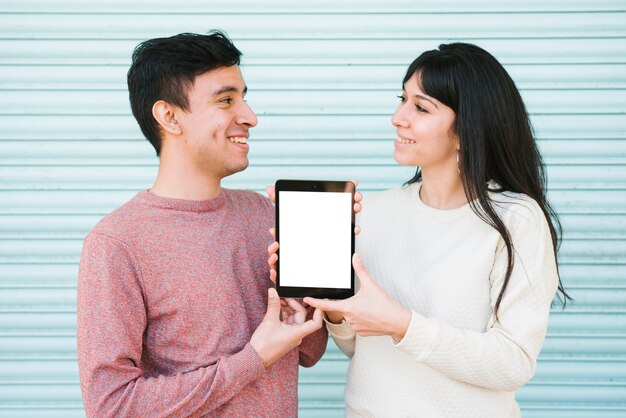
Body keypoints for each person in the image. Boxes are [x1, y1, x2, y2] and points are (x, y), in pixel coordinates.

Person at [269, 42, 570, 417]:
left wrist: (402, 324)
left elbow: (514, 363)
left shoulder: (515, 220)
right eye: (402, 99)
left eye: (421, 107)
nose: (398, 117)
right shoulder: (374, 211)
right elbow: (362, 349)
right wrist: (332, 305)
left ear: (467, 129)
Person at [77, 31, 329, 417]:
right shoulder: (117, 243)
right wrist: (253, 358)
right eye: (226, 100)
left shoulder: (264, 214)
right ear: (169, 116)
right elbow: (112, 406)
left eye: (244, 98)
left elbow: (308, 351)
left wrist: (322, 252)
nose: (250, 117)